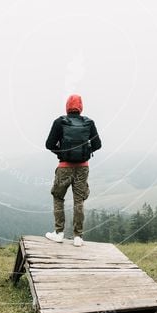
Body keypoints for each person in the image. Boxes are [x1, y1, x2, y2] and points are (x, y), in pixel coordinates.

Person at [44, 94, 102, 246]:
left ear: (67, 106)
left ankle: (59, 233)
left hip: (64, 167)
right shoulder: (89, 123)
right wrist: (85, 152)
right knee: (79, 200)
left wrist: (61, 153)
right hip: (83, 167)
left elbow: (49, 144)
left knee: (58, 197)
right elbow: (98, 145)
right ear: (81, 107)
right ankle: (78, 236)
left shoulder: (60, 122)